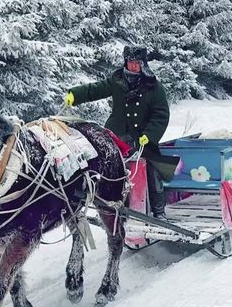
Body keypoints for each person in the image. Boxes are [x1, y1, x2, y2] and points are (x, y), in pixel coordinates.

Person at [64, 45, 170, 219]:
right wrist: (75, 95)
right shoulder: (117, 80)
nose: (133, 66)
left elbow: (161, 114)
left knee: (153, 170)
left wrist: (150, 135)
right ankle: (109, 207)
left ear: (143, 64)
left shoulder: (154, 86)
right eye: (130, 62)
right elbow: (95, 89)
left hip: (143, 139)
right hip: (116, 136)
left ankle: (159, 211)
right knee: (105, 169)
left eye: (137, 63)